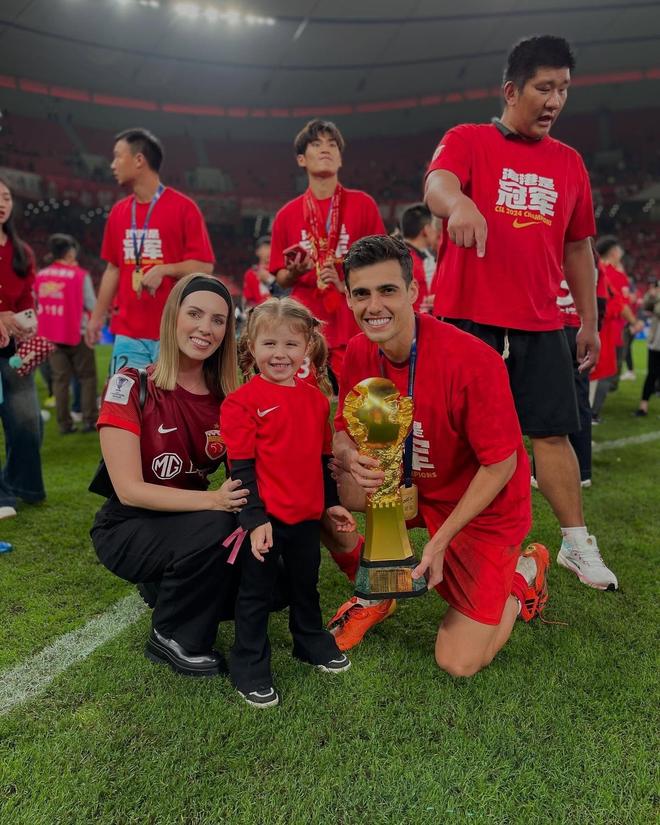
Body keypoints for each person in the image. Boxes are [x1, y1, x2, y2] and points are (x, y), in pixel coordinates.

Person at [424, 35, 618, 591]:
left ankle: (576, 543)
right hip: (468, 320)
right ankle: (467, 542)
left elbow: (578, 247)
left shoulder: (569, 162)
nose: (555, 100)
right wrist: (459, 202)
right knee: (464, 441)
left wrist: (589, 321)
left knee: (553, 433)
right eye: (544, 88)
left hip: (540, 321)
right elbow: (437, 185)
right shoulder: (468, 139)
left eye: (564, 89)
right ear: (512, 91)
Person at [328, 235, 547, 676]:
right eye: (362, 293)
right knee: (316, 494)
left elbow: (501, 463)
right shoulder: (357, 351)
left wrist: (441, 540)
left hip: (480, 505)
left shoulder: (472, 361)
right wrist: (348, 457)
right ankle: (376, 590)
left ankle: (523, 577)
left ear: (413, 291)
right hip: (409, 488)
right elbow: (342, 431)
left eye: (387, 290)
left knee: (458, 662)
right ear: (348, 298)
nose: (374, 306)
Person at [90, 274, 250, 677]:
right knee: (219, 525)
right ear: (172, 317)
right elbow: (129, 491)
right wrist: (213, 500)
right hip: (128, 525)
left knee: (271, 572)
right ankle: (173, 636)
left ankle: (165, 582)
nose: (205, 328)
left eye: (218, 320)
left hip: (188, 522)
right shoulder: (129, 385)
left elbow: (248, 475)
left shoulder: (229, 399)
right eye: (194, 314)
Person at [221, 298, 355, 707]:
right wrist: (254, 519)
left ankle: (309, 641)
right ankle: (248, 663)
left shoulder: (316, 401)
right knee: (255, 594)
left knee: (305, 584)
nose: (280, 354)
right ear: (252, 346)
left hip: (305, 519)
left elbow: (322, 459)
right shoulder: (240, 403)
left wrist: (331, 503)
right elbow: (241, 469)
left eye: (291, 344)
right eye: (269, 344)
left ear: (307, 347)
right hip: (263, 522)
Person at [86, 128, 215, 373]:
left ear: (139, 160)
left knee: (168, 399)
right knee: (125, 397)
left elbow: (204, 266)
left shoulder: (183, 208)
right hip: (127, 333)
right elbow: (113, 269)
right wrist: (96, 317)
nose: (113, 165)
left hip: (173, 332)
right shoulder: (119, 212)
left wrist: (165, 269)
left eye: (118, 156)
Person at [270, 119, 386, 384]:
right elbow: (281, 278)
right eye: (316, 144)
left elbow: (381, 262)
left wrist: (347, 281)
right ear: (301, 159)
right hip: (305, 318)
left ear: (340, 158)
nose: (325, 149)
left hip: (352, 314)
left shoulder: (363, 205)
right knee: (301, 397)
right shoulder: (286, 214)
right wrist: (294, 272)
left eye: (332, 145)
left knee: (363, 396)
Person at [0, 176, 44, 518]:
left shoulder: (22, 251)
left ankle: (19, 484)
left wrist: (29, 322)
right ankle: (3, 495)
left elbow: (29, 297)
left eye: (6, 197)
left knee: (28, 421)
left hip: (14, 349)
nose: (2, 203)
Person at [36, 234, 98, 434]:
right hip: (77, 334)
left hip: (50, 335)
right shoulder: (79, 275)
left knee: (60, 380)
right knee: (87, 377)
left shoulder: (41, 275)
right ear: (70, 252)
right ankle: (89, 420)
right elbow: (92, 305)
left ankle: (65, 424)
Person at [590, 236, 641, 422]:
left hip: (602, 328)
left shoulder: (599, 270)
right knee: (603, 373)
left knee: (599, 372)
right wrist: (634, 321)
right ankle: (591, 414)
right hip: (608, 330)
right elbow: (618, 303)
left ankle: (589, 412)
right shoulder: (610, 273)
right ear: (613, 252)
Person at [400, 203, 438, 314]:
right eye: (434, 226)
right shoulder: (424, 264)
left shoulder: (393, 256)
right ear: (426, 229)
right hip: (418, 320)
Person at [635, 281, 660, 417]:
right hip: (655, 342)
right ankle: (643, 406)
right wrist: (651, 296)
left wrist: (657, 297)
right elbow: (646, 306)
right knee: (651, 374)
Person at [242, 236, 274, 308]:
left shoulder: (281, 273)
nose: (269, 251)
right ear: (257, 251)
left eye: (271, 247)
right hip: (258, 312)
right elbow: (248, 301)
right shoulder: (251, 274)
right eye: (265, 247)